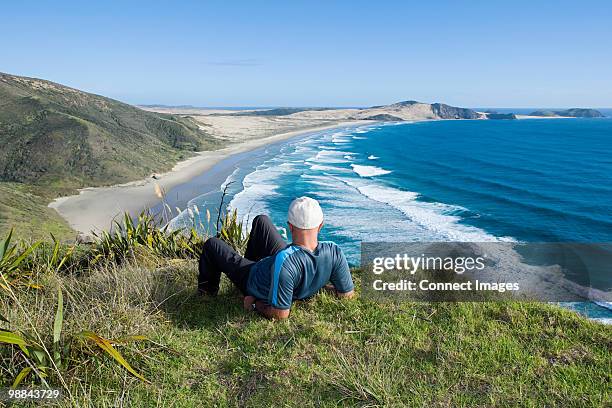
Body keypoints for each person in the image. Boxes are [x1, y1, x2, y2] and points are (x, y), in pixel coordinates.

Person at [198, 197, 354, 319]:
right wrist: (318, 285)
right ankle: (249, 263)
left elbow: (280, 314)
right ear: (321, 225)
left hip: (255, 278)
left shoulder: (285, 261)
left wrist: (254, 304)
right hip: (288, 263)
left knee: (212, 245)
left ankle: (206, 294)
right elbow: (346, 295)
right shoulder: (334, 251)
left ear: (290, 227)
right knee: (261, 221)